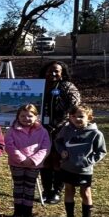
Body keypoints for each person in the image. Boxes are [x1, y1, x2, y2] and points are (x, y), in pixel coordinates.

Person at [55, 105, 106, 217]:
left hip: (84, 170)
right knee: (69, 190)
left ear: (89, 117)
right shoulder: (66, 130)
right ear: (70, 118)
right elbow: (58, 141)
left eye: (81, 116)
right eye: (73, 116)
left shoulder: (95, 134)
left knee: (86, 193)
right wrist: (62, 151)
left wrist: (88, 161)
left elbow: (101, 151)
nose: (77, 119)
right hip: (67, 167)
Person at [39, 61, 81, 204]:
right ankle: (46, 190)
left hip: (61, 129)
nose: (53, 73)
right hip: (41, 128)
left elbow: (74, 107)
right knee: (45, 159)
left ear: (62, 73)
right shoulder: (39, 86)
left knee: (58, 159)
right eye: (50, 70)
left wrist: (57, 124)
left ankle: (56, 191)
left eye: (56, 71)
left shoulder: (68, 87)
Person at [4, 103, 52, 217]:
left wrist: (34, 160)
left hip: (34, 164)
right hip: (17, 164)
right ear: (18, 117)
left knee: (30, 187)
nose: (26, 118)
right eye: (23, 116)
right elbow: (9, 146)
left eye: (30, 116)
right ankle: (17, 212)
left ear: (36, 117)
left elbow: (46, 147)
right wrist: (22, 159)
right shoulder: (12, 130)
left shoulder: (42, 131)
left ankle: (28, 212)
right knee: (18, 186)